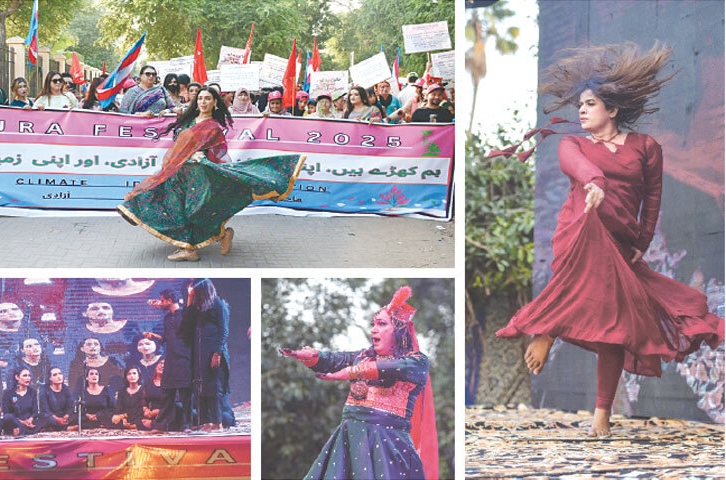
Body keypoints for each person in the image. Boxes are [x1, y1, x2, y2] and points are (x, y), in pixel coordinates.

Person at [494, 43, 725, 437]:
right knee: (590, 278)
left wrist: (643, 240)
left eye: (590, 104)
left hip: (621, 240)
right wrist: (595, 182)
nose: (581, 110)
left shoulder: (646, 148)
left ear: (612, 110)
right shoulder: (574, 145)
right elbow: (577, 167)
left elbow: (652, 199)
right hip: (580, 231)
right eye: (580, 104)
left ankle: (601, 412)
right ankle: (547, 329)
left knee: (617, 327)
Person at [117, 85, 306, 262]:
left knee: (195, 211)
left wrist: (202, 156)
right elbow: (179, 145)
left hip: (199, 174)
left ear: (215, 103)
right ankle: (204, 241)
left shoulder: (213, 127)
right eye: (200, 98)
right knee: (168, 203)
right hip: (179, 172)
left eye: (208, 98)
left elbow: (218, 155)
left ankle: (199, 245)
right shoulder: (189, 120)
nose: (203, 102)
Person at [280, 286, 438, 480]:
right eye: (373, 324)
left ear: (399, 330)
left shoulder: (416, 362)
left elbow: (391, 368)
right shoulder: (363, 356)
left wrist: (348, 373)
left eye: (381, 324)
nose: (374, 329)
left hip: (388, 447)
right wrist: (312, 356)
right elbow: (332, 360)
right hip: (350, 442)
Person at [143, 288, 193, 432]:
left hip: (183, 359)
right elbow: (167, 338)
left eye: (163, 300)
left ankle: (187, 424)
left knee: (185, 394)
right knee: (167, 393)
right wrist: (155, 336)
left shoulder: (184, 314)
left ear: (170, 301)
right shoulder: (166, 318)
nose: (161, 303)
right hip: (170, 358)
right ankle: (161, 425)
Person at [190, 279, 234, 432]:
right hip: (200, 352)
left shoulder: (219, 304)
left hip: (214, 352)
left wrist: (217, 353)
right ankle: (206, 421)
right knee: (201, 388)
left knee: (215, 389)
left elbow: (224, 331)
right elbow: (187, 320)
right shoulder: (199, 308)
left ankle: (218, 422)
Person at [1, 367, 48, 436]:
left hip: (30, 422)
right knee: (8, 417)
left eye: (29, 376)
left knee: (45, 417)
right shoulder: (8, 393)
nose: (28, 378)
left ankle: (22, 430)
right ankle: (27, 430)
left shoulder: (33, 392)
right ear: (17, 377)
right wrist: (22, 422)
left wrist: (30, 420)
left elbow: (35, 412)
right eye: (25, 376)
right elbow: (6, 413)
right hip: (15, 422)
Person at [38, 367, 73, 431]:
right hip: (51, 417)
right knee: (45, 418)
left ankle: (55, 428)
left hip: (64, 416)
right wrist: (57, 419)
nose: (58, 376)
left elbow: (70, 407)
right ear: (50, 378)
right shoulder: (44, 390)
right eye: (55, 375)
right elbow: (45, 409)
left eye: (60, 374)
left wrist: (66, 416)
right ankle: (66, 428)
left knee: (77, 416)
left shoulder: (66, 389)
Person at [140, 358, 167, 430]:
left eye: (165, 364)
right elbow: (144, 400)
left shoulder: (170, 384)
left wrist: (156, 412)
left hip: (166, 413)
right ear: (156, 366)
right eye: (160, 363)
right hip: (151, 414)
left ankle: (155, 424)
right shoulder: (149, 382)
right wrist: (146, 410)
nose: (162, 366)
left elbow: (172, 403)